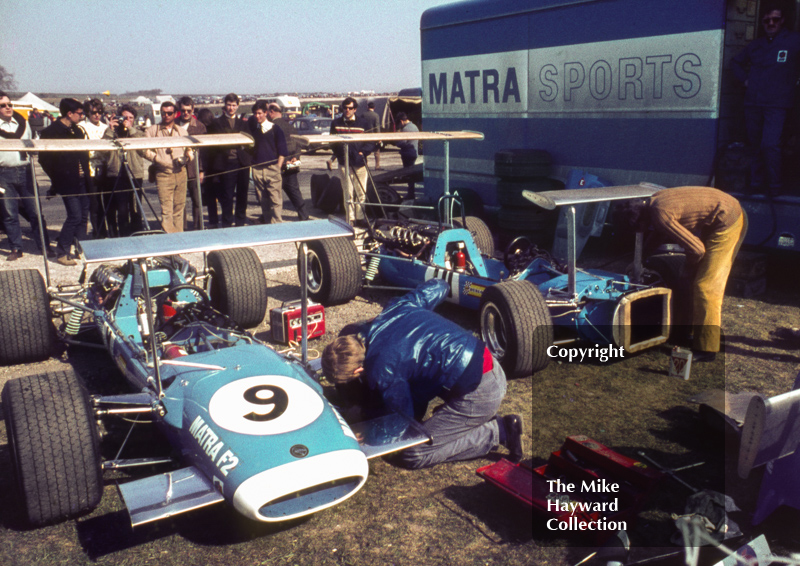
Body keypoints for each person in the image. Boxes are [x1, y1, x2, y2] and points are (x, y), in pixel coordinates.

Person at [321, 279, 524, 469]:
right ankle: (467, 419)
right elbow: (439, 286)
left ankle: (500, 431)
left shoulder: (382, 369)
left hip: (482, 391)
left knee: (411, 453)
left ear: (358, 371)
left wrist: (369, 434)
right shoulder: (395, 309)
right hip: (486, 364)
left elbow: (404, 418)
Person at [624, 187, 747, 362]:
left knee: (705, 287)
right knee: (690, 282)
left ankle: (707, 349)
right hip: (717, 216)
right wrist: (640, 258)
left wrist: (687, 270)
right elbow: (660, 233)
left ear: (643, 220)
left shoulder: (660, 214)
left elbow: (697, 250)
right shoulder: (653, 203)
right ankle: (685, 333)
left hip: (728, 220)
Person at [730, 3, 800, 194]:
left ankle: (775, 186)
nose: (771, 23)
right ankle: (756, 184)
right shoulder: (756, 45)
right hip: (753, 103)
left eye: (775, 19)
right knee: (755, 146)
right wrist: (744, 80)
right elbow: (735, 62)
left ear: (782, 20)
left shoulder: (793, 41)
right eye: (767, 20)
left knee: (770, 145)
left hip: (777, 104)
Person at [39, 98, 91, 266]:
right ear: (70, 113)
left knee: (83, 215)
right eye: (80, 113)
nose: (82, 116)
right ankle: (62, 251)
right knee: (74, 216)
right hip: (67, 182)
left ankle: (80, 248)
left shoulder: (78, 131)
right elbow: (44, 160)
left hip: (82, 179)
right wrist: (57, 178)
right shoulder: (50, 132)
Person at [0, 91, 52, 260]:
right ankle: (16, 247)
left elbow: (32, 144)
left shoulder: (23, 123)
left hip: (25, 171)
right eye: (3, 105)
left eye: (9, 104)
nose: (8, 108)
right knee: (9, 213)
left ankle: (44, 246)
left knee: (35, 211)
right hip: (3, 173)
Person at [142, 101, 193, 233]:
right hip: (163, 174)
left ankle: (179, 239)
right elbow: (143, 150)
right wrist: (158, 159)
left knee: (179, 208)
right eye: (163, 113)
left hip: (181, 173)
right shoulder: (152, 130)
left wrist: (187, 156)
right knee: (166, 210)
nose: (166, 116)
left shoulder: (182, 131)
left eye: (169, 113)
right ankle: (170, 241)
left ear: (175, 114)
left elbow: (189, 149)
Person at [208, 93, 251, 227]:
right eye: (229, 105)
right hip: (226, 164)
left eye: (233, 105)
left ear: (237, 106)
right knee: (227, 195)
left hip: (242, 163)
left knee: (242, 194)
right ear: (224, 105)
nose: (231, 108)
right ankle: (227, 223)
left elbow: (250, 141)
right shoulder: (216, 123)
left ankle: (240, 222)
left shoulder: (243, 123)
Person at [330, 97, 374, 224]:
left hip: (360, 164)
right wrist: (340, 155)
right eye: (345, 108)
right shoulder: (336, 123)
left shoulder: (363, 123)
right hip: (345, 163)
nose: (347, 110)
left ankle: (360, 217)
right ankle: (351, 218)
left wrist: (363, 153)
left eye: (350, 108)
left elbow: (371, 142)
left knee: (361, 192)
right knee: (348, 192)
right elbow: (332, 143)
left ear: (355, 109)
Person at [102, 105, 145, 236]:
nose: (127, 120)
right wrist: (110, 130)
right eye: (124, 117)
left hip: (134, 173)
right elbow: (102, 151)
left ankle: (137, 234)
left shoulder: (138, 133)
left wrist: (130, 130)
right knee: (121, 209)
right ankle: (124, 235)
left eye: (130, 118)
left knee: (136, 207)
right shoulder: (110, 132)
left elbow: (143, 149)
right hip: (116, 174)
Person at [248, 100, 287, 224]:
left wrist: (278, 168)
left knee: (275, 200)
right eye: (255, 113)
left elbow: (283, 151)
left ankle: (276, 224)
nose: (257, 116)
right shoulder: (253, 130)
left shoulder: (276, 129)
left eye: (259, 113)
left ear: (266, 113)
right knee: (263, 199)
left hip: (272, 169)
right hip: (257, 170)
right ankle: (266, 221)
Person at [268, 103, 310, 220]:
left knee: (271, 194)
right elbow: (298, 144)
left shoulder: (271, 126)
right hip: (292, 164)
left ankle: (267, 217)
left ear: (271, 112)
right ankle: (304, 216)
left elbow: (274, 147)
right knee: (295, 192)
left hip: (279, 165)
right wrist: (295, 158)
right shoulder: (290, 126)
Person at [80, 98, 110, 237]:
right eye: (93, 113)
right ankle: (98, 233)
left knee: (108, 203)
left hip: (106, 168)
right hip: (91, 169)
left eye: (99, 112)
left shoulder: (105, 127)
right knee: (95, 204)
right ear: (88, 113)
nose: (97, 115)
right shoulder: (82, 127)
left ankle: (110, 231)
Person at [176, 96, 206, 229]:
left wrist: (202, 170)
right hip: (178, 168)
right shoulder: (174, 125)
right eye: (183, 110)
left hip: (195, 169)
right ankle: (181, 228)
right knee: (179, 202)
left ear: (193, 109)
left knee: (197, 201)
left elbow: (204, 152)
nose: (186, 113)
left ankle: (198, 228)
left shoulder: (200, 127)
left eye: (189, 110)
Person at [395, 112, 419, 199]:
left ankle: (411, 194)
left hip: (407, 154)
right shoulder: (415, 126)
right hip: (414, 153)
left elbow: (401, 142)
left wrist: (396, 141)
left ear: (401, 121)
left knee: (409, 175)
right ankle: (411, 192)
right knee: (411, 174)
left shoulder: (405, 129)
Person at [362, 101, 381, 169]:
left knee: (364, 151)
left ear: (367, 107)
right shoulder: (376, 115)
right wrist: (379, 137)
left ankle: (365, 165)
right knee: (377, 151)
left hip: (365, 135)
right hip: (373, 136)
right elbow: (377, 127)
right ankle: (377, 166)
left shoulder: (363, 115)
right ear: (374, 108)